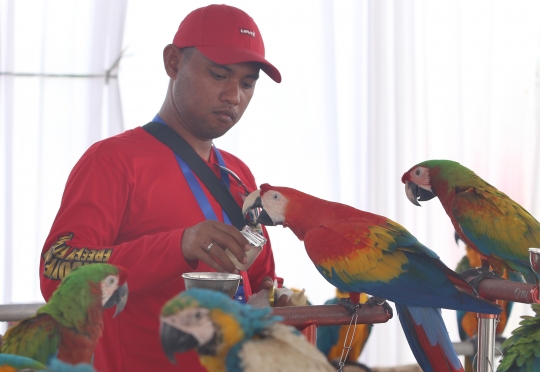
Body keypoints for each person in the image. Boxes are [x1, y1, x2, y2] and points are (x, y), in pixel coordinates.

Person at [39, 4, 283, 371]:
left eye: (248, 83)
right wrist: (178, 245)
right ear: (173, 62)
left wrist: (283, 299)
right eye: (219, 75)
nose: (234, 95)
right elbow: (56, 277)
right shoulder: (112, 161)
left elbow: (261, 282)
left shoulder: (238, 174)